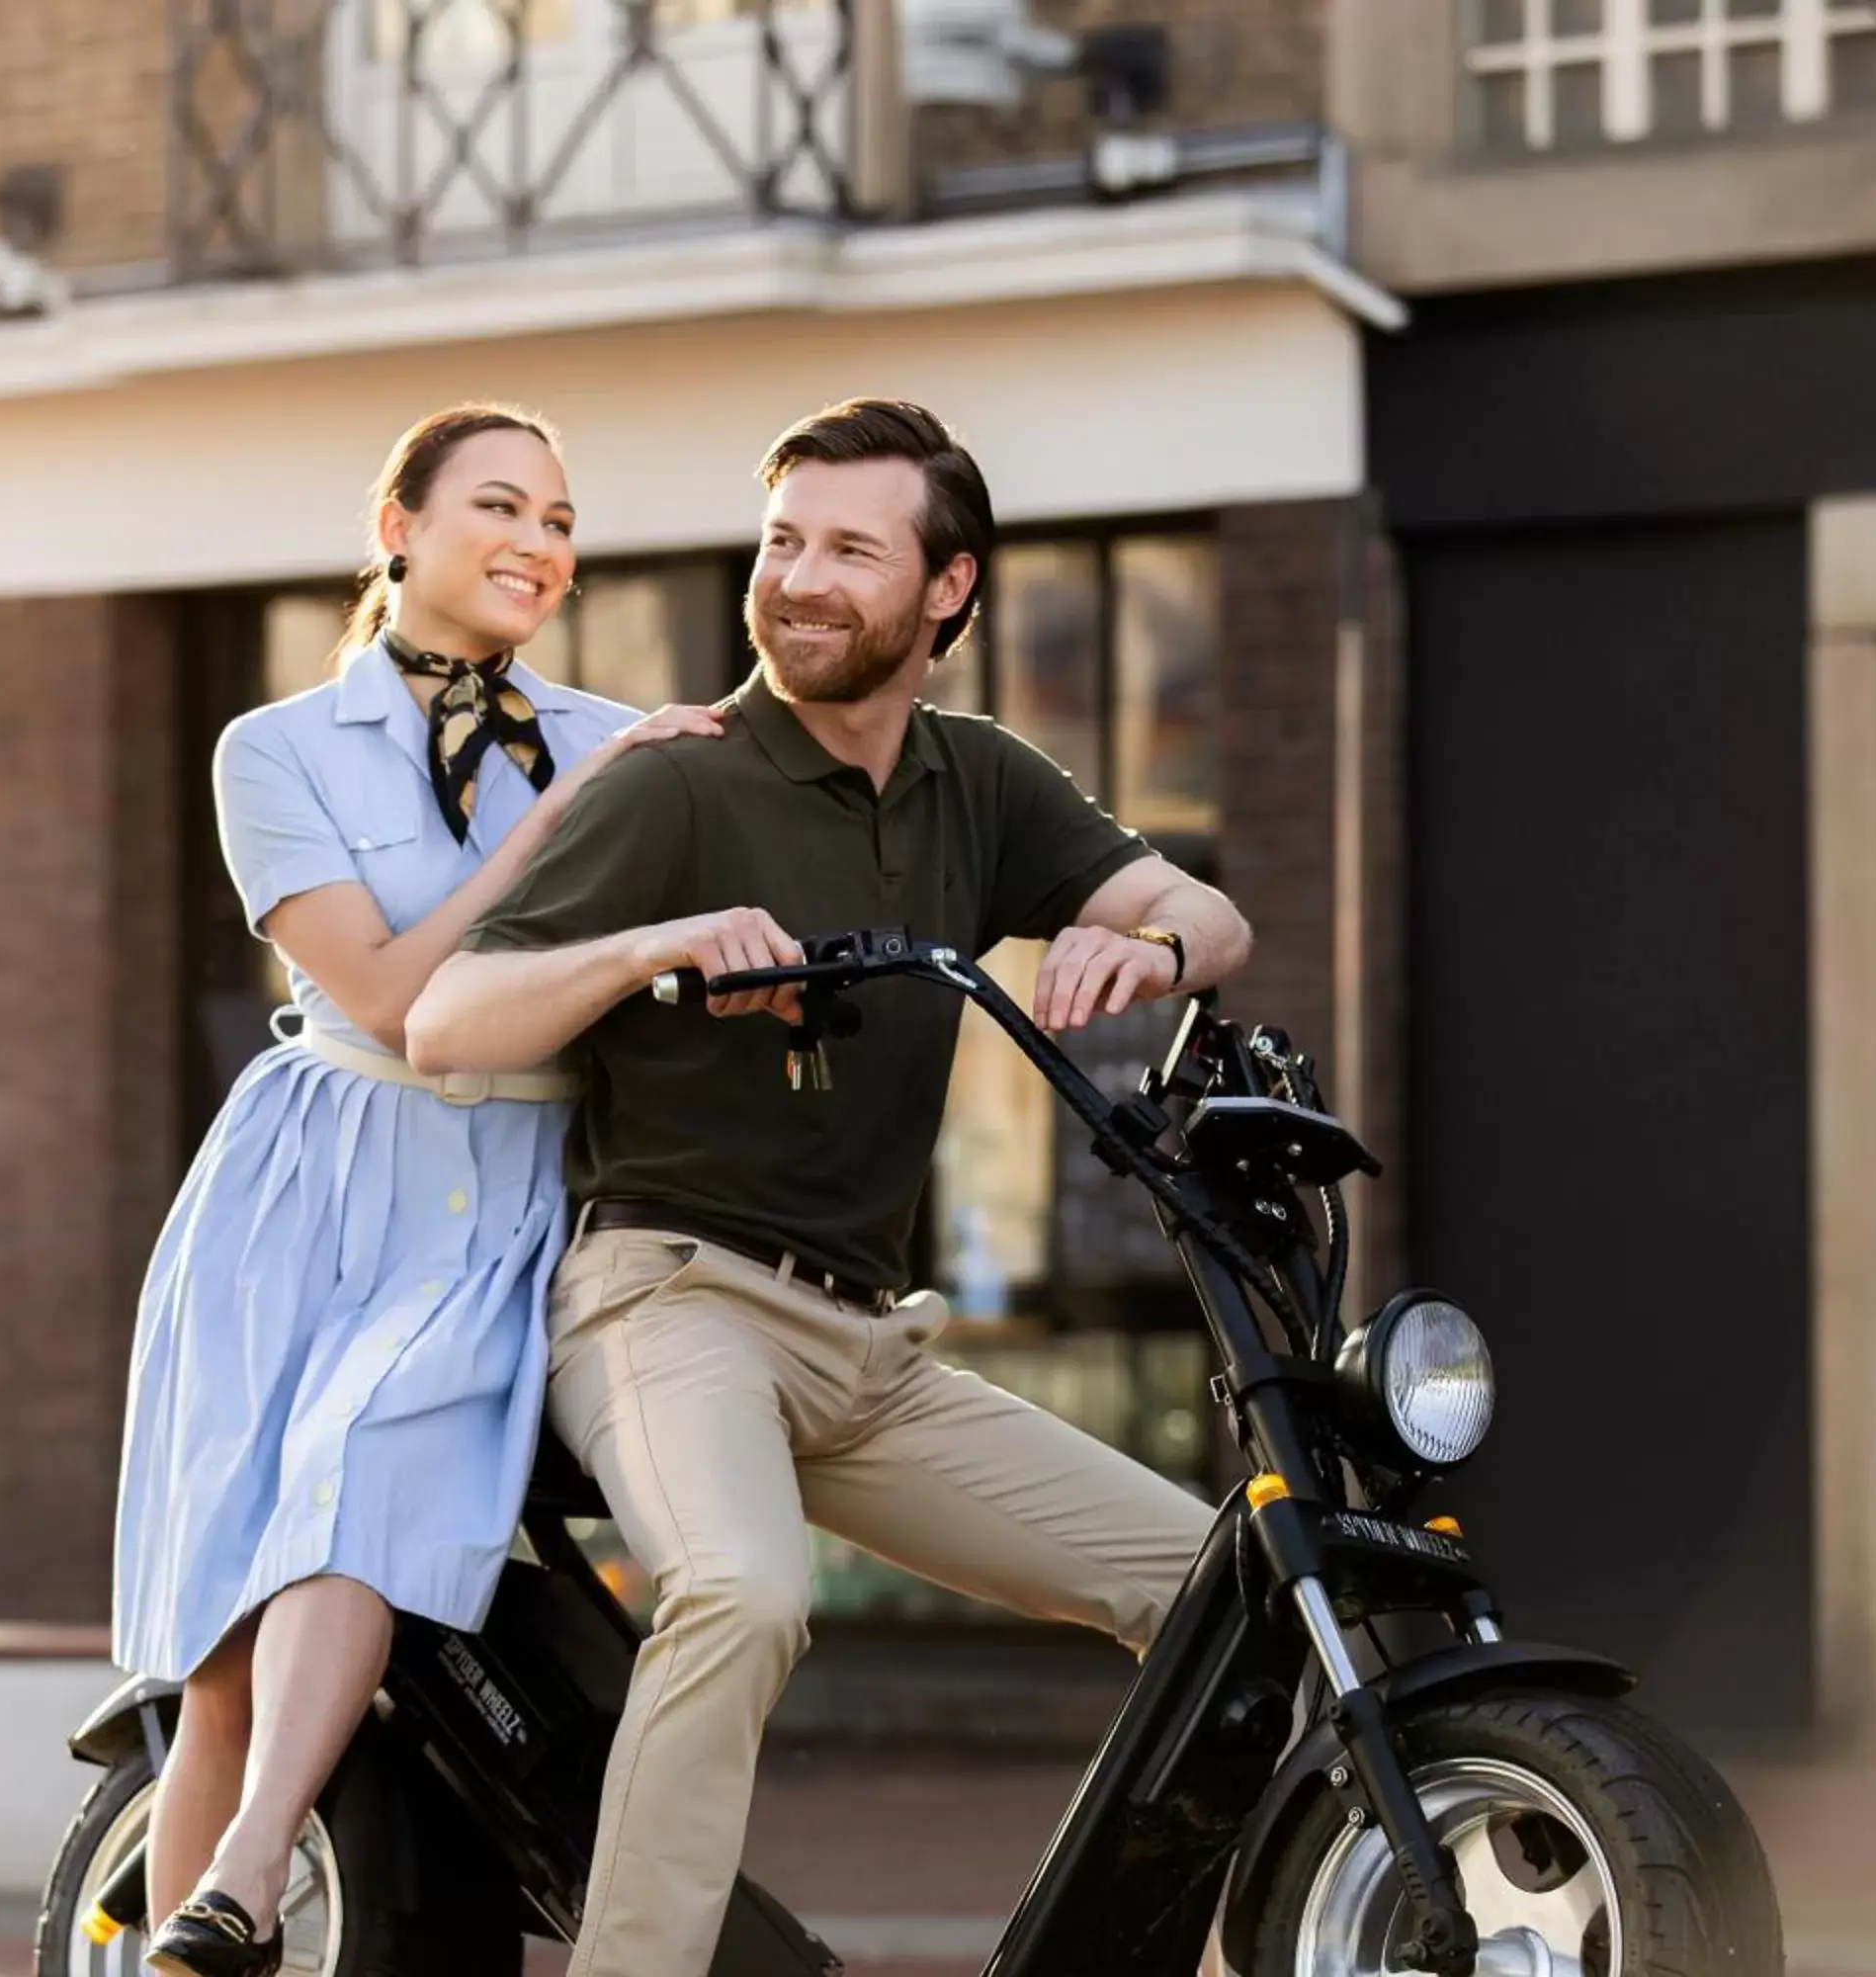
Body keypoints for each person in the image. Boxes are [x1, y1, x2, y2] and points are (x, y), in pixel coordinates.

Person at [408, 397, 1252, 1977]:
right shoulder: (679, 785)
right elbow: (449, 1022)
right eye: (783, 541)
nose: (799, 577)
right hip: (668, 1299)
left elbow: (1208, 915)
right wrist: (658, 945)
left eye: (850, 549)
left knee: (1223, 1594)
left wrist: (1138, 943)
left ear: (947, 590)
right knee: (738, 1589)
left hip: (872, 1352)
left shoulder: (977, 783)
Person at [107, 402, 723, 1977]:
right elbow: (381, 999)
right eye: (500, 506)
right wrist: (572, 823)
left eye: (562, 519)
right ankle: (203, 1923)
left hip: (504, 1183)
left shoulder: (617, 742)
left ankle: (250, 1873)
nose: (539, 543)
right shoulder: (278, 751)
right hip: (305, 1187)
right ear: (400, 528)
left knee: (365, 1485)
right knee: (224, 1653)